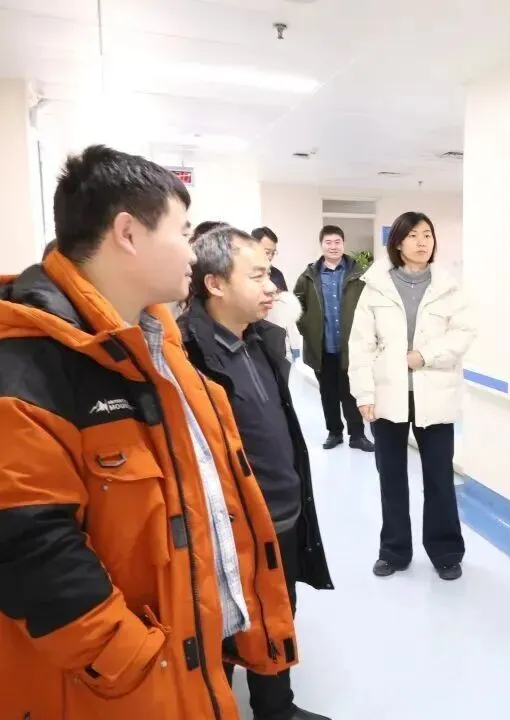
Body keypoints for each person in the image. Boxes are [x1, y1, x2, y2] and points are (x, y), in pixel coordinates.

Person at [0, 145, 296, 720]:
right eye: (182, 232)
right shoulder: (29, 365)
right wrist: (132, 657)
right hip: (121, 684)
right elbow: (29, 546)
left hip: (188, 651)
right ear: (128, 233)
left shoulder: (160, 345)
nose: (192, 250)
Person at [180, 226, 333, 720]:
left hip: (283, 511)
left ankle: (276, 708)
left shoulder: (264, 339)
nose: (272, 288)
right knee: (224, 625)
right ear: (215, 284)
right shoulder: (185, 352)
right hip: (229, 524)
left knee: (277, 612)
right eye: (258, 276)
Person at [348, 211, 476, 581]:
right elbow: (360, 344)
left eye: (428, 235)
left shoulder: (448, 286)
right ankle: (394, 551)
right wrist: (363, 393)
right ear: (398, 242)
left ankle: (446, 552)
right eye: (414, 235)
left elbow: (464, 333)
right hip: (388, 395)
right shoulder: (375, 287)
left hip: (433, 394)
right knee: (391, 478)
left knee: (439, 478)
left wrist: (426, 356)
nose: (423, 242)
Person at [293, 225, 374, 451]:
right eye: (328, 242)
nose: (333, 246)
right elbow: (297, 307)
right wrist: (307, 329)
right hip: (322, 347)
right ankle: (334, 433)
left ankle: (357, 435)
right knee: (328, 393)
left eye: (337, 242)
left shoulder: (359, 274)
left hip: (352, 347)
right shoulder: (309, 276)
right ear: (321, 245)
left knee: (352, 392)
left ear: (343, 244)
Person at [253, 226, 303, 367]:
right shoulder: (244, 274)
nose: (270, 257)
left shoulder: (277, 275)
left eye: (273, 253)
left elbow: (285, 312)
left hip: (277, 339)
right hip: (256, 338)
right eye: (267, 252)